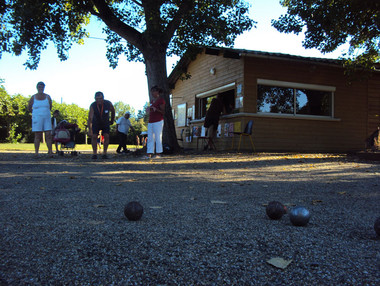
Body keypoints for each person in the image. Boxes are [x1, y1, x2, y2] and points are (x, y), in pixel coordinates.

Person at [28, 81, 53, 157]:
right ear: (37, 88)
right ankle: (36, 152)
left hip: (46, 117)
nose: (41, 88)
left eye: (42, 87)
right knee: (37, 135)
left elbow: (50, 106)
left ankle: (50, 151)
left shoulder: (48, 97)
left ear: (44, 88)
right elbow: (29, 107)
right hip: (37, 118)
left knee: (48, 134)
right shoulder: (33, 97)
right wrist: (35, 113)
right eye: (39, 87)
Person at [88, 91, 115, 159]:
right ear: (95, 99)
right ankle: (94, 153)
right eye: (97, 99)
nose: (99, 100)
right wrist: (90, 129)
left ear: (103, 98)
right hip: (96, 122)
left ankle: (105, 153)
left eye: (100, 98)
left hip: (105, 122)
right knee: (94, 136)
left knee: (106, 136)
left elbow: (113, 111)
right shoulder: (93, 105)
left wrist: (112, 120)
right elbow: (90, 117)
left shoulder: (108, 103)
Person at [144, 85, 165, 159]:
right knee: (150, 137)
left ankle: (158, 153)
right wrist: (149, 109)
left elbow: (163, 112)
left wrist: (156, 109)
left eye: (153, 91)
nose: (152, 93)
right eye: (151, 92)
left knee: (158, 137)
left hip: (158, 121)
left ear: (157, 92)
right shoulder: (152, 101)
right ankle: (149, 153)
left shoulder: (161, 100)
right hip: (151, 121)